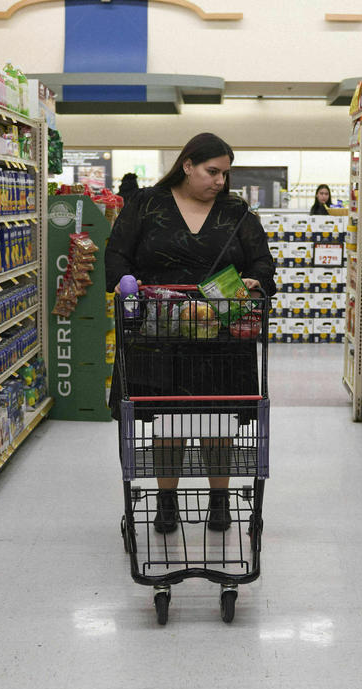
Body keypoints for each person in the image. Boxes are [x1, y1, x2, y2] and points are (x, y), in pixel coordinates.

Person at [105, 132, 276, 534]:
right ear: (187, 165)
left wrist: (255, 282)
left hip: (222, 340)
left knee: (217, 424)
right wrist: (125, 284)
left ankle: (219, 501)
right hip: (159, 337)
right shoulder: (147, 204)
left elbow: (263, 264)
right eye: (211, 171)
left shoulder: (237, 212)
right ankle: (167, 503)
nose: (219, 181)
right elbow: (116, 255)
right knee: (168, 424)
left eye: (224, 173)